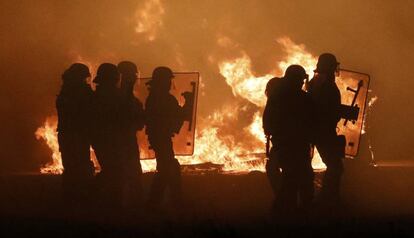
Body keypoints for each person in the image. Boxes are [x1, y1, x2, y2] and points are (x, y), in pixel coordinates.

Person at [264, 65, 314, 214]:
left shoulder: (276, 97)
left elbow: (268, 121)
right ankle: (292, 212)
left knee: (290, 177)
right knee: (301, 179)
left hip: (283, 145)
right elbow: (312, 121)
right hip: (297, 146)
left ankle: (285, 210)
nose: (301, 83)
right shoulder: (303, 99)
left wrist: (274, 136)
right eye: (300, 79)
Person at [145, 66, 190, 207]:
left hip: (159, 137)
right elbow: (178, 115)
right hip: (161, 138)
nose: (169, 83)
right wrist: (189, 103)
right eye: (167, 80)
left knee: (170, 168)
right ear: (162, 81)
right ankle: (156, 203)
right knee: (166, 170)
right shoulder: (163, 98)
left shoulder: (154, 97)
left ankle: (172, 200)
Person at [306, 53, 344, 206]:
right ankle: (328, 199)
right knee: (335, 166)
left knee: (333, 165)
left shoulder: (316, 82)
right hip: (323, 131)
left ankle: (325, 198)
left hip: (317, 130)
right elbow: (325, 108)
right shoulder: (325, 84)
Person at [56, 63, 94, 206]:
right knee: (80, 167)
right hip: (77, 135)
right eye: (84, 78)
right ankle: (80, 199)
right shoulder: (80, 93)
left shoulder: (64, 93)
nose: (86, 81)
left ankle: (70, 199)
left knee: (71, 168)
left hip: (67, 136)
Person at [91, 63, 124, 209]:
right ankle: (110, 202)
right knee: (114, 170)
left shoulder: (96, 96)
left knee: (112, 170)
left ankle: (109, 201)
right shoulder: (111, 97)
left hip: (101, 139)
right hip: (108, 139)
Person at [117, 61, 145, 207]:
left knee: (131, 175)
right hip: (120, 142)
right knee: (123, 175)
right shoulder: (118, 99)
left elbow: (139, 124)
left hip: (126, 141)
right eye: (131, 76)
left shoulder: (130, 99)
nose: (134, 79)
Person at [263, 77, 283, 197]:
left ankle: (282, 197)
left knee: (272, 168)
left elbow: (268, 124)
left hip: (284, 143)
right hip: (286, 143)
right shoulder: (295, 98)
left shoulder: (275, 102)